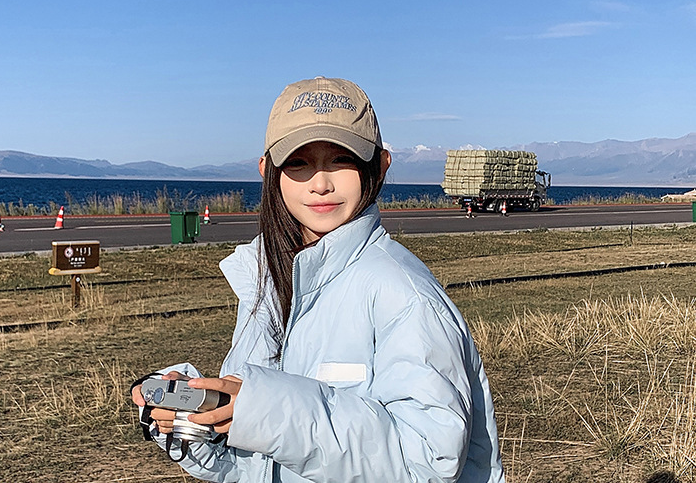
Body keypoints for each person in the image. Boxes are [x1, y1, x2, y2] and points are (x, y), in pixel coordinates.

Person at [132, 76, 505, 483]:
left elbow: (428, 461)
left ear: (380, 166)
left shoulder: (403, 294)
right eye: (298, 163)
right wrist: (202, 416)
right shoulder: (269, 280)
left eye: (342, 159)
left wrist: (266, 411)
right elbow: (256, 466)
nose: (321, 183)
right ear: (267, 171)